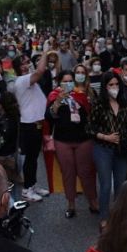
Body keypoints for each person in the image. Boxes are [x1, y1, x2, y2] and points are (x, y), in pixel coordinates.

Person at [90, 71, 127, 218]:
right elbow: (89, 128)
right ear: (105, 87)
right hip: (103, 149)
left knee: (121, 186)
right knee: (106, 186)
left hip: (122, 150)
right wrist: (106, 137)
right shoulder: (99, 105)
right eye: (111, 84)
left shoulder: (126, 105)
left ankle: (118, 218)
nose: (114, 87)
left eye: (117, 84)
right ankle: (104, 218)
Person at [47, 72, 99, 219]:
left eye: (71, 81)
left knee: (86, 172)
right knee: (68, 172)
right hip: (63, 140)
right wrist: (58, 101)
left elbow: (91, 114)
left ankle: (93, 202)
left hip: (83, 139)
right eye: (65, 81)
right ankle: (71, 204)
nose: (68, 83)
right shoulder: (54, 95)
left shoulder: (81, 94)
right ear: (59, 83)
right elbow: (49, 116)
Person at [12, 56, 55, 200]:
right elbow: (41, 70)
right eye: (22, 64)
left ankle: (32, 185)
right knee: (30, 159)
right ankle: (26, 190)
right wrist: (46, 53)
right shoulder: (22, 80)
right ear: (17, 68)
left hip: (36, 123)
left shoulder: (28, 80)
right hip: (29, 125)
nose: (26, 66)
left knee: (34, 158)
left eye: (26, 62)